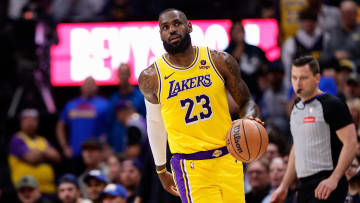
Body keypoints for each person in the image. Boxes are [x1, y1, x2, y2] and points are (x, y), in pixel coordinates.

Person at [138, 9, 262, 203]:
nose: (171, 30)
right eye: (165, 27)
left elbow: (246, 101)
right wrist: (161, 168)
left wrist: (249, 120)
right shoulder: (152, 77)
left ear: (189, 26)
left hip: (229, 157)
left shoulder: (219, 61)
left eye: (177, 24)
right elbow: (155, 123)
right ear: (160, 34)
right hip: (191, 166)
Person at [270, 55, 357, 203]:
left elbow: (351, 144)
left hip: (327, 183)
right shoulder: (296, 108)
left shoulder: (332, 104)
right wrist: (284, 186)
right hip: (304, 186)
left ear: (317, 78)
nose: (298, 83)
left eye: (303, 78)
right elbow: (297, 148)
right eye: (294, 78)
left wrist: (334, 179)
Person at [56, 76, 109, 174]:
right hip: (75, 153)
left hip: (96, 153)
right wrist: (64, 146)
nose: (89, 86)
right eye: (87, 84)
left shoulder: (104, 104)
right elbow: (60, 126)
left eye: (91, 84)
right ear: (81, 87)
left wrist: (105, 147)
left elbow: (109, 127)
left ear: (96, 87)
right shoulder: (71, 104)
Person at [8, 108, 61, 195]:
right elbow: (32, 158)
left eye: (33, 120)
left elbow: (57, 158)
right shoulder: (17, 139)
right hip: (26, 191)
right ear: (21, 121)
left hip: (48, 189)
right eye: (27, 119)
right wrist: (47, 154)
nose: (30, 123)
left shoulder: (43, 140)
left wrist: (38, 152)